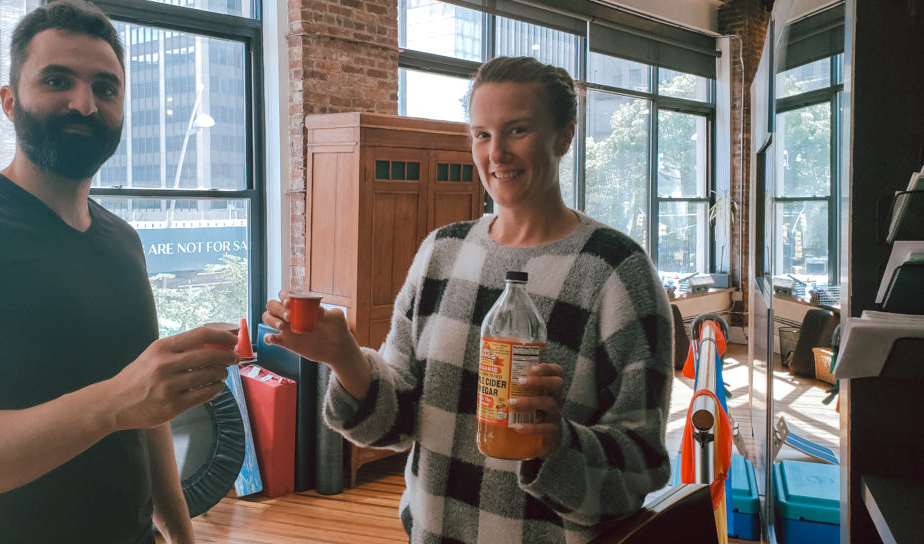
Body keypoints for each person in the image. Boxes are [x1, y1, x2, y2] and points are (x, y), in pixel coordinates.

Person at [0, 0, 238, 544]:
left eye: (105, 88)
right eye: (58, 81)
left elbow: (146, 417)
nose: (84, 104)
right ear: (10, 102)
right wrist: (112, 404)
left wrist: (180, 536)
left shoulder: (123, 243)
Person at [262, 56, 674, 543]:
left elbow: (640, 466)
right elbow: (396, 423)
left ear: (564, 136)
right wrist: (344, 356)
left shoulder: (614, 271)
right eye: (481, 134)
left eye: (517, 130)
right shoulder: (442, 253)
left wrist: (557, 444)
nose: (496, 153)